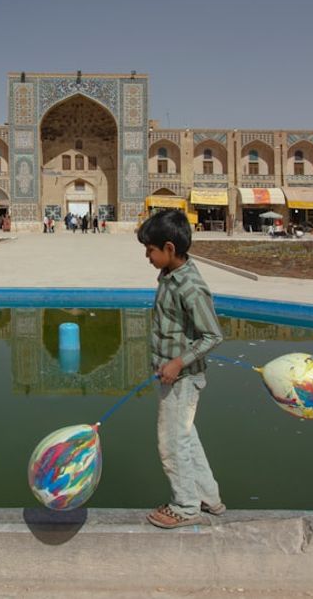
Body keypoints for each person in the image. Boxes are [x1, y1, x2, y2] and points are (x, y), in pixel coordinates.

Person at [135, 209, 225, 528]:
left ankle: (186, 505)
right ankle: (207, 497)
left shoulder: (190, 286)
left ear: (169, 248)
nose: (148, 256)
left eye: (151, 250)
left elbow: (213, 335)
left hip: (183, 378)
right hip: (174, 376)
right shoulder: (169, 275)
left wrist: (176, 362)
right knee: (185, 436)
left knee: (171, 442)